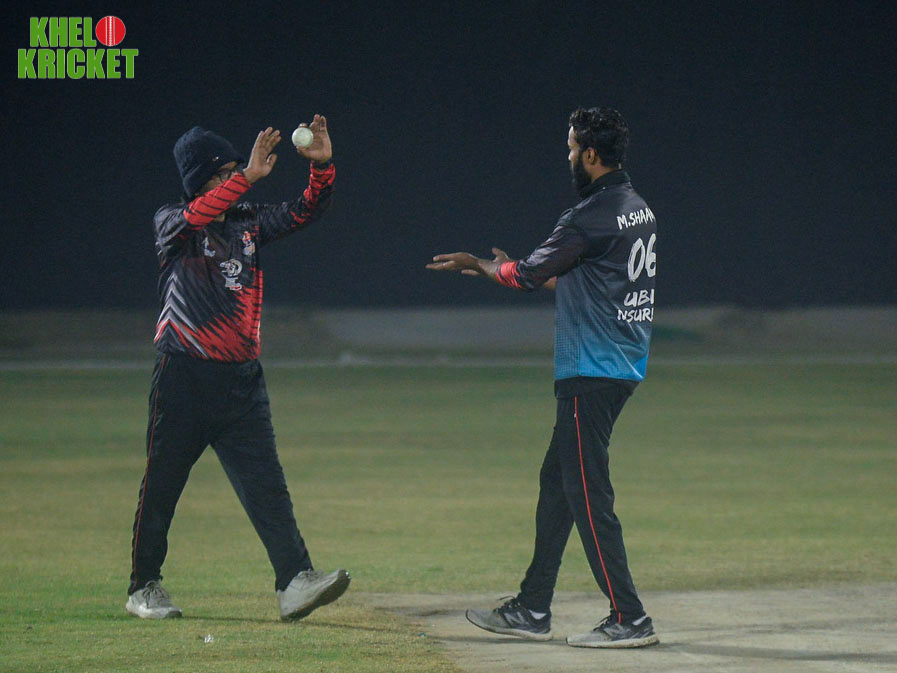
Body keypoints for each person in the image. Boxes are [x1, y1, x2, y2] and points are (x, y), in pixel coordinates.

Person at [427, 107, 658, 648]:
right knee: (557, 485)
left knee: (587, 495)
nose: (568, 155)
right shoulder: (637, 208)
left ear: (591, 155)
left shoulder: (588, 216)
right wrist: (517, 269)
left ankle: (629, 617)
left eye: (573, 146)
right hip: (620, 362)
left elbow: (529, 274)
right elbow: (590, 281)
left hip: (591, 369)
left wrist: (481, 265)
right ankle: (533, 607)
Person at [127, 116, 350, 621]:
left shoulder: (247, 221)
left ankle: (294, 582)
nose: (237, 178)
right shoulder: (173, 222)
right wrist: (247, 176)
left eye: (236, 170)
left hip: (241, 382)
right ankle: (144, 587)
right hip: (183, 377)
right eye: (224, 173)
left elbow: (305, 211)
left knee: (267, 487)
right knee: (162, 487)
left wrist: (321, 168)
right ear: (199, 180)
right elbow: (199, 213)